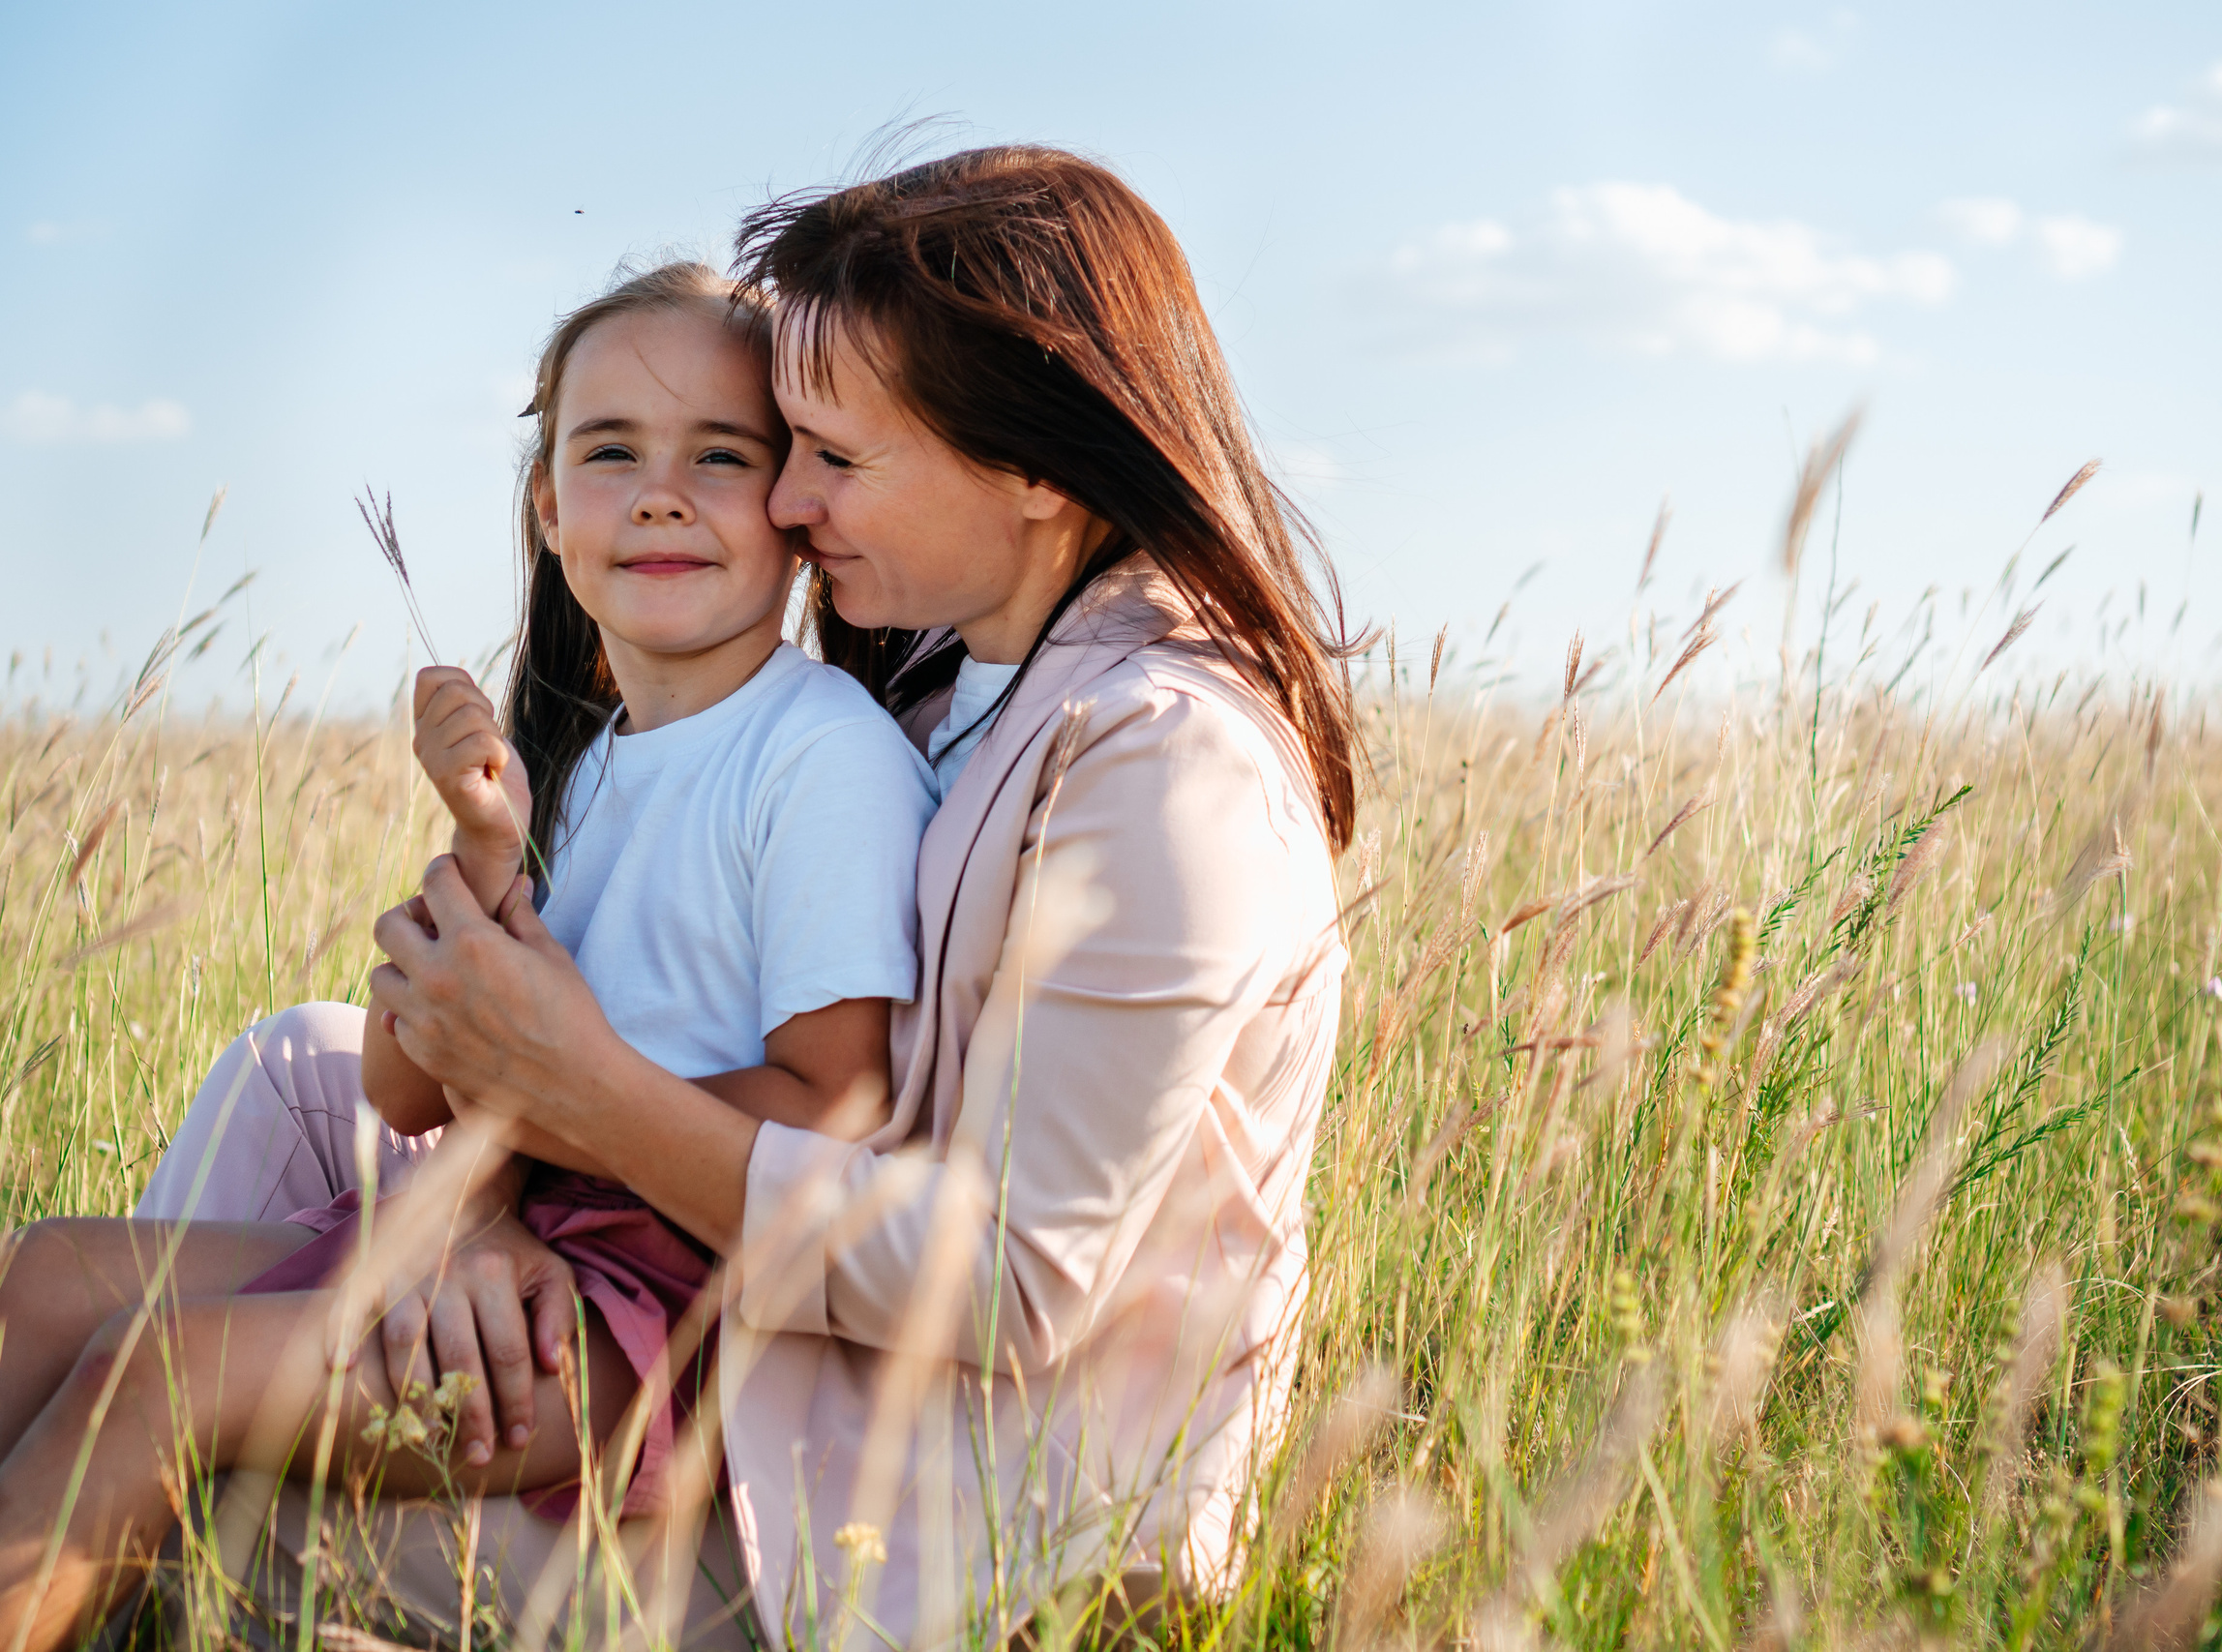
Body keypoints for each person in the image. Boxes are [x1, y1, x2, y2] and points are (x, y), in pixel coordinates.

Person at [115, 142, 1356, 1650]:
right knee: (292, 1076)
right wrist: (494, 1203)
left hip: (941, 1508)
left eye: (835, 455)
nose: (786, 494)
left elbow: (1014, 1286)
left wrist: (572, 1100)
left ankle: (183, 1515)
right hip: (754, 1336)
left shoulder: (1168, 766)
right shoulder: (961, 682)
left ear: (1036, 469)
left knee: (166, 1472)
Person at [0, 260, 934, 1651]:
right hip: (510, 1236)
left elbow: (835, 1108)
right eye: (610, 453)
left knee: (159, 1374)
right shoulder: (589, 768)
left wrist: (559, 1124)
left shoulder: (819, 760)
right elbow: (406, 1090)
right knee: (47, 1275)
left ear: (794, 516)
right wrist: (487, 853)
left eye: (719, 458)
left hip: (654, 1313)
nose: (661, 493)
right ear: (549, 508)